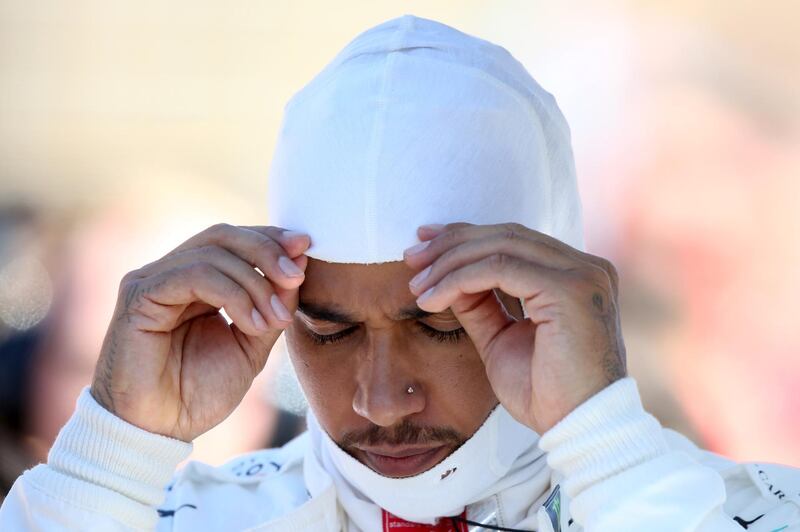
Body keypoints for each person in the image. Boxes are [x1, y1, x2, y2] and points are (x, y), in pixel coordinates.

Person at [2, 14, 798, 532]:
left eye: (445, 327)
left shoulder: (744, 512)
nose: (381, 399)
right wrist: (110, 452)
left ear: (559, 305)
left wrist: (612, 449)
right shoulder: (161, 517)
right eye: (328, 327)